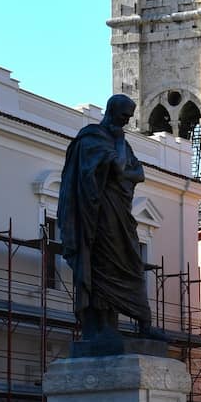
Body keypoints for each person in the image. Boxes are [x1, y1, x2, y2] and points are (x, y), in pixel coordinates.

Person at [58, 95, 160, 353]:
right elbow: (115, 168)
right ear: (112, 111)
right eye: (124, 116)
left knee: (132, 264)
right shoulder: (91, 138)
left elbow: (138, 173)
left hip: (121, 216)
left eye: (129, 117)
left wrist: (121, 165)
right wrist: (118, 158)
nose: (126, 121)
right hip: (98, 216)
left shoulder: (120, 141)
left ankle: (144, 323)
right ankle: (103, 326)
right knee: (103, 266)